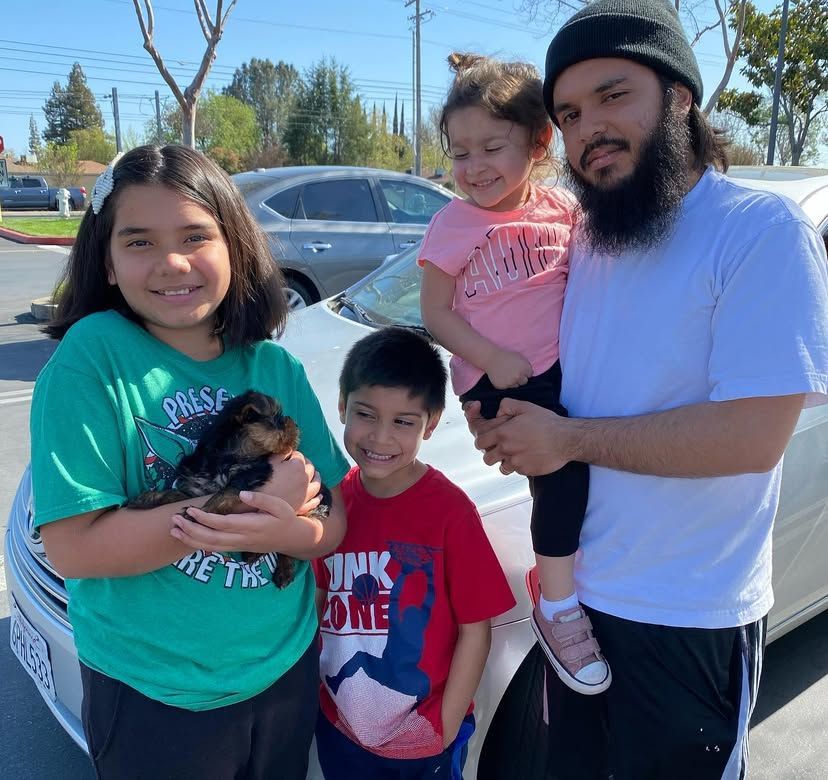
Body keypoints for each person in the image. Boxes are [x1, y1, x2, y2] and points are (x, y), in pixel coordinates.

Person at [467, 0, 828, 779]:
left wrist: (565, 439)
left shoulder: (759, 232)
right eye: (566, 114)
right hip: (576, 606)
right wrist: (502, 420)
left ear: (680, 95)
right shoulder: (589, 236)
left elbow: (752, 436)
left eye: (612, 95)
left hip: (688, 619)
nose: (588, 127)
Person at [30, 144, 350, 780]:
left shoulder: (273, 365)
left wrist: (294, 531)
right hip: (154, 690)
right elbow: (76, 549)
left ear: (234, 244)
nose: (172, 262)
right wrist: (251, 500)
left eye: (196, 235)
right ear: (108, 262)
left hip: (282, 669)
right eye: (139, 241)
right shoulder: (94, 358)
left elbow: (335, 520)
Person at [417, 52, 610, 695]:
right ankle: (556, 606)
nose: (472, 169)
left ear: (538, 141)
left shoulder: (563, 210)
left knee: (588, 473)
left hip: (557, 373)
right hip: (496, 377)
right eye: (459, 152)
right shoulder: (453, 223)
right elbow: (434, 313)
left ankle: (559, 576)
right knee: (563, 474)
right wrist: (494, 361)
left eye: (491, 148)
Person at [313, 326, 516, 779]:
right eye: (366, 415)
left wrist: (443, 729)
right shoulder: (332, 505)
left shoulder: (449, 512)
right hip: (340, 728)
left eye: (403, 421)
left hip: (424, 737)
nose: (381, 438)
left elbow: (474, 630)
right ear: (343, 405)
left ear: (432, 421)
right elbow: (318, 601)